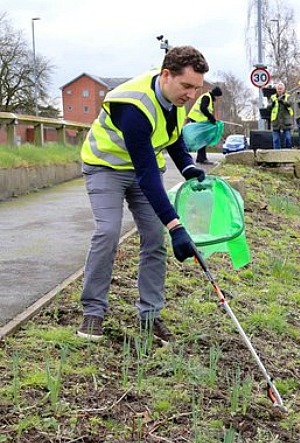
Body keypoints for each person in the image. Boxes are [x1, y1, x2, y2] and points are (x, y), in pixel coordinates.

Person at [77, 45, 209, 344]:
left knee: (154, 237)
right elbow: (147, 175)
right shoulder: (133, 105)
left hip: (142, 171)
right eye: (186, 86)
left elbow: (172, 138)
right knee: (108, 231)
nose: (191, 95)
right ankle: (94, 310)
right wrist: (176, 226)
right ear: (166, 75)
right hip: (105, 167)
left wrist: (187, 166)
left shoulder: (175, 98)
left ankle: (150, 316)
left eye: (196, 89)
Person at [187, 85, 223, 164]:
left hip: (198, 120)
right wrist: (211, 118)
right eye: (218, 96)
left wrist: (211, 119)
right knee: (202, 139)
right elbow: (203, 108)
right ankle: (201, 159)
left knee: (202, 139)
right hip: (197, 119)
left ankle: (201, 158)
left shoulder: (208, 97)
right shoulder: (207, 97)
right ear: (216, 94)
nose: (217, 98)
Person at [267, 82, 293, 149]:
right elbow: (268, 107)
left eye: (281, 89)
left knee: (288, 139)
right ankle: (277, 154)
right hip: (276, 122)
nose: (279, 90)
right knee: (275, 140)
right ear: (276, 89)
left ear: (284, 89)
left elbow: (290, 103)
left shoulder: (288, 97)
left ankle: (288, 153)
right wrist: (273, 103)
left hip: (286, 121)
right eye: (278, 89)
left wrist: (282, 101)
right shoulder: (272, 97)